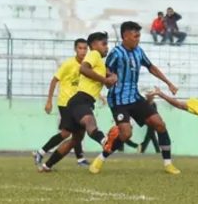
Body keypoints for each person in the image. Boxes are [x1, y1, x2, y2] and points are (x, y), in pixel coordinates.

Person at [88, 21, 181, 175]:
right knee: (126, 134)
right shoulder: (116, 53)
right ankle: (101, 158)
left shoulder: (139, 51)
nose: (138, 39)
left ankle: (168, 164)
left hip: (135, 97)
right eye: (135, 36)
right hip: (118, 100)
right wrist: (110, 77)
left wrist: (168, 83)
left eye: (139, 35)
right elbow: (105, 71)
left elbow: (151, 67)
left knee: (159, 124)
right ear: (125, 36)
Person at [39, 32, 118, 172]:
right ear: (93, 45)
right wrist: (106, 79)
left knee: (74, 140)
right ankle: (105, 141)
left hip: (77, 101)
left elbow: (106, 82)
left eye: (107, 44)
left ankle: (47, 165)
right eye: (104, 44)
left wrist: (111, 78)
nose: (107, 47)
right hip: (81, 100)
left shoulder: (99, 62)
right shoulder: (94, 54)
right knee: (89, 121)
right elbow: (83, 69)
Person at [34, 39, 90, 167]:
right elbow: (54, 81)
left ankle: (80, 159)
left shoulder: (87, 65)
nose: (82, 51)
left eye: (85, 48)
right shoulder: (68, 64)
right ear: (75, 49)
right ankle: (41, 152)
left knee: (79, 133)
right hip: (65, 103)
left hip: (78, 103)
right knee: (67, 133)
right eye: (80, 48)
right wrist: (49, 101)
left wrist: (100, 96)